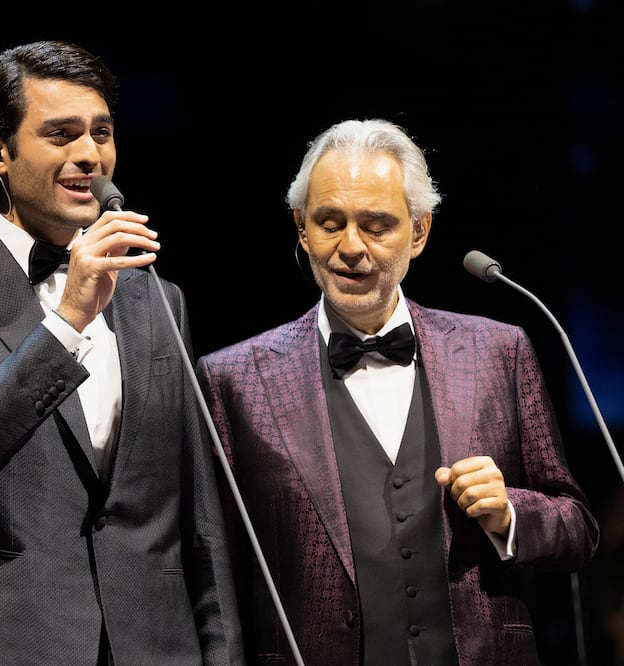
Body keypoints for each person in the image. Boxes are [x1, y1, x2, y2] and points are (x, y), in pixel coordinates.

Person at [0, 39, 244, 665]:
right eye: (60, 134)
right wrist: (68, 319)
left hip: (154, 646)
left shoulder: (158, 298)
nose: (89, 156)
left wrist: (221, 654)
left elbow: (199, 514)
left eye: (101, 133)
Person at [195, 118, 600, 665]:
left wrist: (509, 515)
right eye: (329, 223)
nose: (350, 247)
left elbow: (577, 527)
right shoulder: (233, 379)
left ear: (419, 231)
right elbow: (215, 576)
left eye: (377, 224)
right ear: (300, 227)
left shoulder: (498, 351)